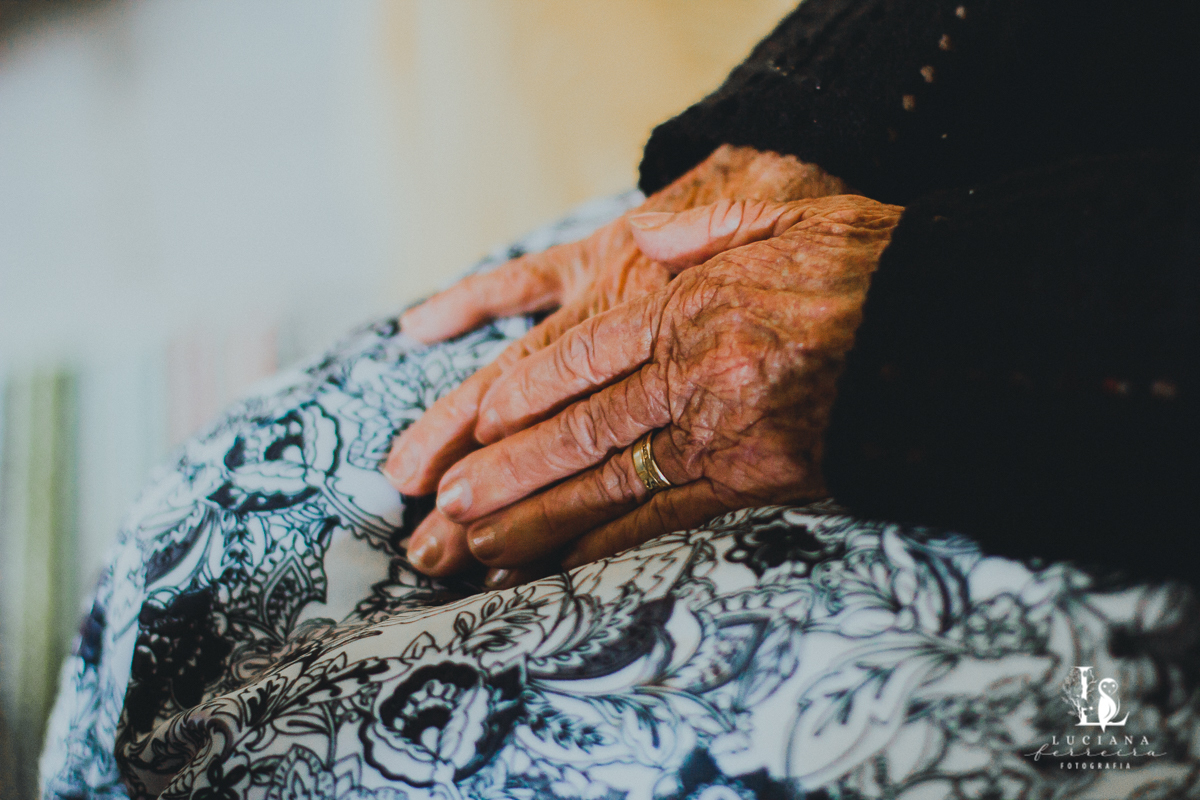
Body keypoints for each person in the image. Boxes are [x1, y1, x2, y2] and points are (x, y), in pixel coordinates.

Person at [40, 1, 1200, 798]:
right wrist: (813, 122)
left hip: (1115, 405)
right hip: (1029, 157)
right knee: (202, 564)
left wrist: (940, 327)